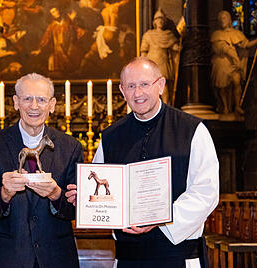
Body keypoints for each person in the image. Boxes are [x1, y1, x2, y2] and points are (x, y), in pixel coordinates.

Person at [66, 57, 219, 267]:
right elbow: (101, 190)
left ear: (161, 85)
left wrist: (160, 219)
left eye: (144, 84)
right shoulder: (111, 137)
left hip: (178, 256)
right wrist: (83, 198)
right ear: (122, 91)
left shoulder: (192, 130)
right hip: (128, 258)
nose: (138, 93)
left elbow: (205, 192)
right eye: (131, 86)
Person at [0, 73, 83, 267]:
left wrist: (56, 194)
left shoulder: (71, 147)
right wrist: (5, 194)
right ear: (16, 102)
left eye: (41, 99)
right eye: (27, 98)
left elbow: (77, 210)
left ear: (52, 105)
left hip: (56, 258)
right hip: (9, 257)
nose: (34, 106)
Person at [211, 10, 257, 116]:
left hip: (233, 64)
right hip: (221, 62)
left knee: (236, 82)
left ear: (229, 20)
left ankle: (237, 106)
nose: (222, 20)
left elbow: (246, 44)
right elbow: (220, 48)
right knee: (222, 86)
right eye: (220, 18)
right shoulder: (216, 35)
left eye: (224, 17)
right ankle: (225, 107)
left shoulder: (236, 34)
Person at [140, 8, 180, 106]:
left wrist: (179, 45)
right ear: (154, 22)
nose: (160, 21)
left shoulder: (169, 35)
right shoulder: (148, 35)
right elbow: (144, 52)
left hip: (163, 63)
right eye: (158, 19)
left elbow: (175, 48)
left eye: (162, 19)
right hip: (152, 62)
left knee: (164, 86)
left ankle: (166, 107)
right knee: (152, 87)